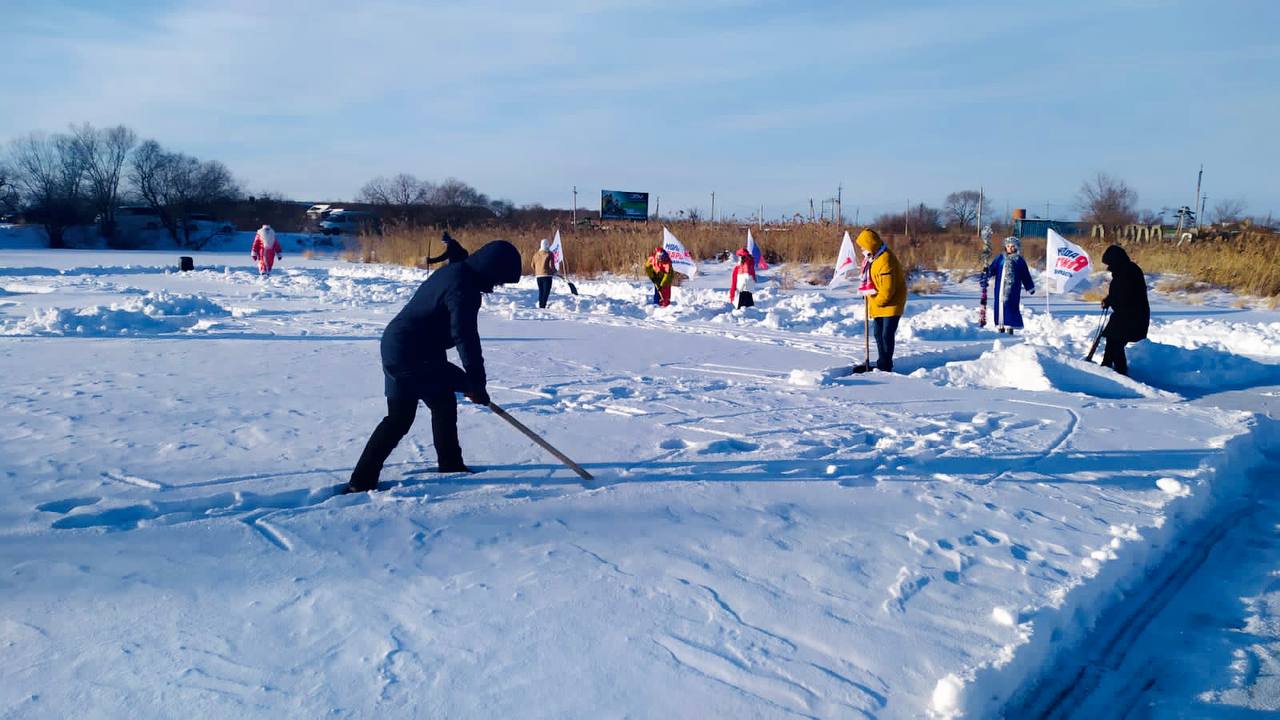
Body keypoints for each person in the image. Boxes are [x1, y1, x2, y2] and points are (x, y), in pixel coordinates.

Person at [345, 240, 522, 493]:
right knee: (422, 410)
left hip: (401, 346)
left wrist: (471, 382)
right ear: (491, 269)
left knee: (422, 411)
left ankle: (365, 481)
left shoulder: (457, 272)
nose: (496, 286)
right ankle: (443, 465)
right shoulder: (463, 287)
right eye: (499, 279)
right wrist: (476, 382)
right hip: (411, 353)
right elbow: (464, 335)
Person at [854, 228, 907, 372]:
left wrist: (875, 301)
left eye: (863, 246)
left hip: (891, 303)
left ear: (870, 245)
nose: (862, 250)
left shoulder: (885, 259)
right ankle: (881, 362)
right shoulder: (871, 259)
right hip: (878, 302)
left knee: (886, 334)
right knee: (878, 333)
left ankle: (886, 365)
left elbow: (887, 290)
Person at [1099, 244, 1150, 376]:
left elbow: (1125, 294)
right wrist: (1108, 300)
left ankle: (1114, 371)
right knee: (1113, 341)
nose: (1108, 267)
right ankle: (1112, 369)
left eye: (1109, 263)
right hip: (1125, 315)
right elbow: (1118, 293)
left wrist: (1112, 301)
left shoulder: (1128, 271)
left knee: (1115, 342)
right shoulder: (1123, 270)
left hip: (1132, 316)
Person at [987, 237, 1035, 334]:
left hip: (1013, 290)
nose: (1010, 248)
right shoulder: (1000, 258)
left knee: (1010, 306)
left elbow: (1025, 275)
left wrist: (1030, 287)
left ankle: (1010, 328)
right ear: (1005, 247)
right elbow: (992, 269)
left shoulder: (1019, 260)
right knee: (1000, 306)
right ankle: (1001, 327)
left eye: (1013, 246)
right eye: (1008, 246)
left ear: (1016, 248)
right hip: (999, 289)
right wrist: (986, 272)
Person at [532, 238, 556, 309]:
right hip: (547, 276)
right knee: (546, 292)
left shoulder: (536, 254)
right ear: (548, 245)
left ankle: (541, 305)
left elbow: (532, 265)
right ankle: (543, 306)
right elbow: (551, 266)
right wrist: (555, 271)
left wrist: (538, 270)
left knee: (541, 291)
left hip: (538, 276)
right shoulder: (550, 254)